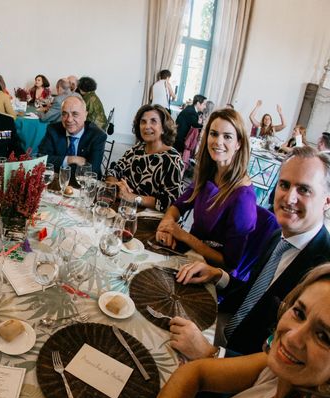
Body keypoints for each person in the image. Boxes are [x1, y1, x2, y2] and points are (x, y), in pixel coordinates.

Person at [113, 263, 330, 398]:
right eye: (300, 313)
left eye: (324, 337)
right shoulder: (289, 371)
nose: (292, 337)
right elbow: (197, 373)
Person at [167, 147, 330, 360]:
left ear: (327, 200)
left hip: (239, 364)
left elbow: (291, 364)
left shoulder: (323, 272)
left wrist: (212, 354)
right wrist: (218, 275)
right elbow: (255, 294)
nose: (289, 198)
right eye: (284, 185)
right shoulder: (277, 237)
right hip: (224, 328)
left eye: (304, 190)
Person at [156, 109, 261, 277]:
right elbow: (179, 205)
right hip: (189, 257)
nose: (218, 142)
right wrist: (166, 225)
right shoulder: (209, 173)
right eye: (214, 134)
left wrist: (184, 236)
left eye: (227, 136)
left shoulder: (243, 197)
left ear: (239, 143)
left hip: (209, 273)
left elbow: (229, 262)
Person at [105, 104, 182, 212]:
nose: (146, 126)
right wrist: (115, 184)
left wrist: (134, 198)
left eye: (153, 121)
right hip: (124, 209)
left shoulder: (172, 159)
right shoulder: (136, 149)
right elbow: (113, 171)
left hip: (150, 219)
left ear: (164, 128)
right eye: (143, 122)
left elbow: (171, 202)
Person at [38, 95, 107, 176]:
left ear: (85, 115)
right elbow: (41, 159)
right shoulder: (53, 129)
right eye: (65, 114)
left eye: (75, 114)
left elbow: (91, 171)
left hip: (85, 185)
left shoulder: (97, 136)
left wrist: (56, 163)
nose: (69, 119)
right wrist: (69, 159)